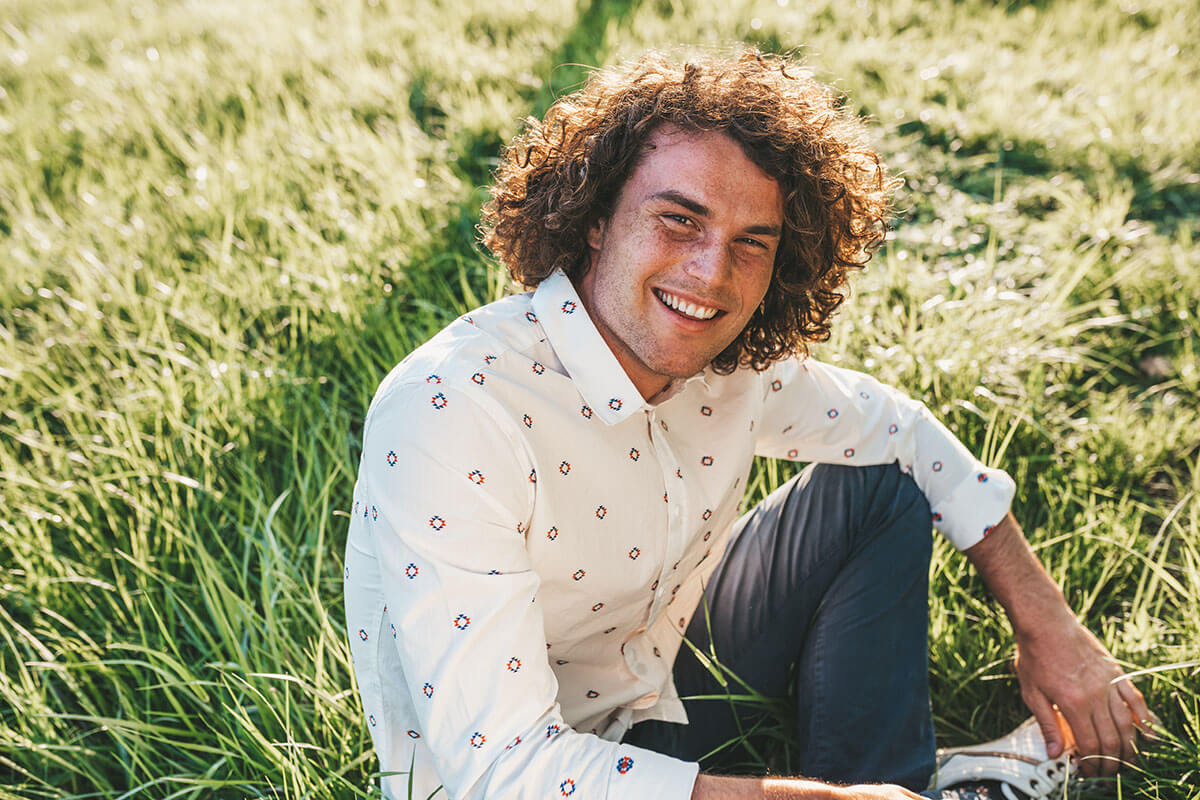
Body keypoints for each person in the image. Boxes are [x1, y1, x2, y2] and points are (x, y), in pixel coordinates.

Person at [341, 48, 1154, 800]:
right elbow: (504, 770)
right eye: (679, 220)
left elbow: (901, 433)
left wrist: (1047, 624)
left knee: (879, 489)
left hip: (658, 686)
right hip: (533, 776)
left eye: (751, 243)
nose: (710, 273)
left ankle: (901, 783)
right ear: (594, 216)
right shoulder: (453, 409)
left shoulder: (721, 360)